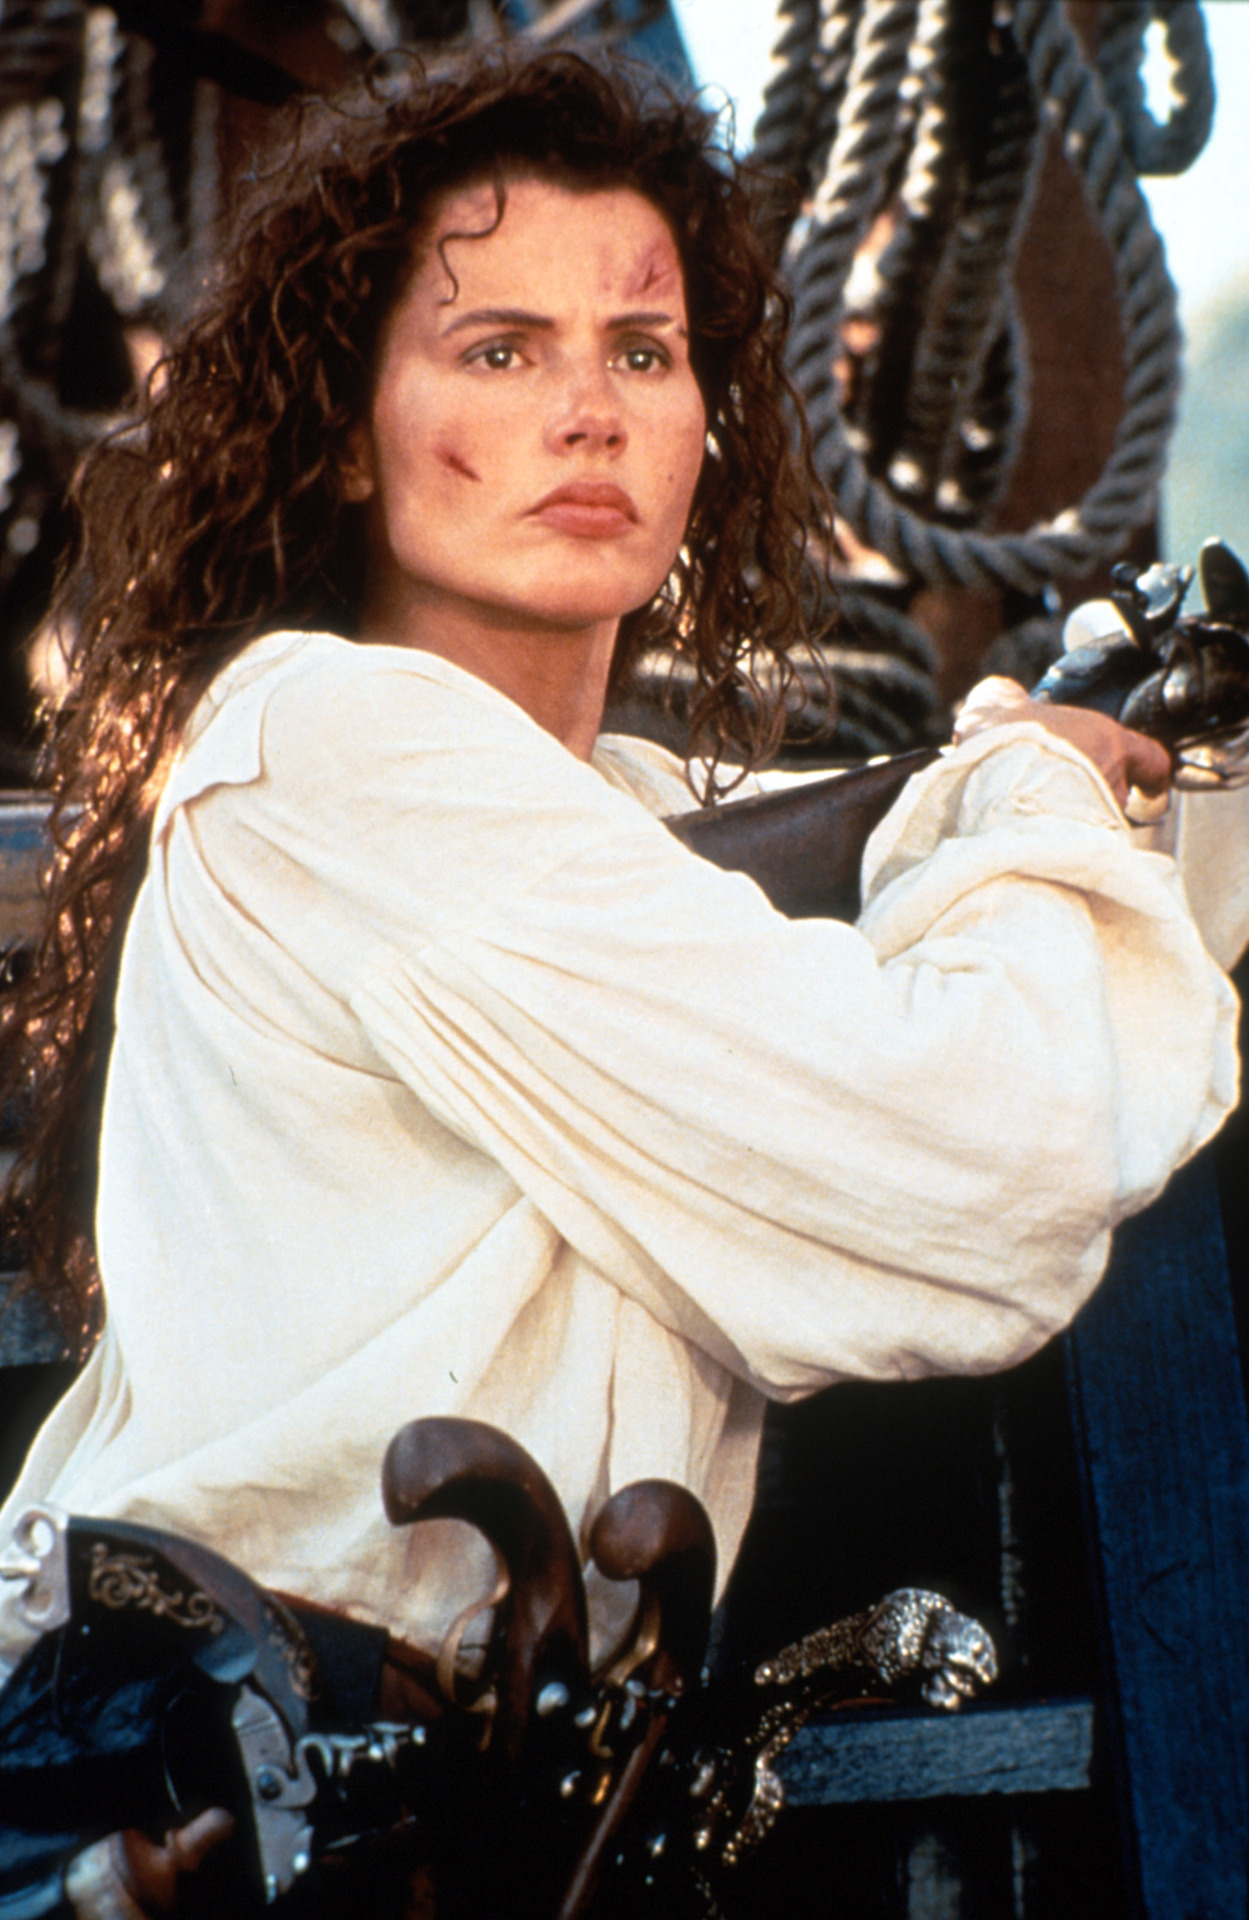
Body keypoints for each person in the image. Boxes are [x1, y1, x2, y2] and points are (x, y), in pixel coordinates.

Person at [0, 37, 1235, 1857]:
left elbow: (1093, 961)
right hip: (232, 1792)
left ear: (699, 423)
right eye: (500, 350)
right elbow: (989, 1150)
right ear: (342, 429)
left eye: (642, 353)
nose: (588, 412)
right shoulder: (326, 741)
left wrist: (1109, 781)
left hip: (486, 1811)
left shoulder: (622, 815)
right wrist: (1031, 784)